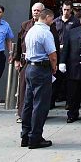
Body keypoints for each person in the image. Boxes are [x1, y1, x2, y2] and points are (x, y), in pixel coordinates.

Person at [20, 8, 58, 150]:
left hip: (30, 67)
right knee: (40, 105)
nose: (52, 21)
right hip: (41, 69)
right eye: (51, 18)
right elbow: (52, 55)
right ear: (47, 17)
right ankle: (35, 138)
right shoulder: (45, 32)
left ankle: (25, 135)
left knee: (28, 103)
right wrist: (54, 67)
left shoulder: (31, 30)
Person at [53, 0, 79, 106]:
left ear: (71, 10)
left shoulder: (76, 22)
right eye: (64, 9)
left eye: (68, 10)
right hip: (57, 53)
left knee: (69, 79)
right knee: (56, 77)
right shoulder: (56, 21)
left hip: (70, 53)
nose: (66, 12)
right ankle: (54, 99)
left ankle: (69, 102)